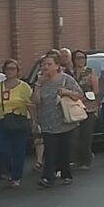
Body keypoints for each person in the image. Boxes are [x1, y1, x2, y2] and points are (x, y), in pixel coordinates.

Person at [33, 54, 84, 187]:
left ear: (57, 66)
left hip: (64, 121)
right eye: (44, 64)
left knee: (64, 150)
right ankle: (48, 178)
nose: (46, 67)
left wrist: (66, 92)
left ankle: (66, 174)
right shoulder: (41, 82)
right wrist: (38, 84)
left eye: (49, 64)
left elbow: (79, 94)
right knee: (50, 150)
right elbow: (36, 101)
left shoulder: (66, 79)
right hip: (47, 122)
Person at [0, 59, 34, 188]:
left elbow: (31, 105)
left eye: (13, 69)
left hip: (19, 121)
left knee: (18, 150)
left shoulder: (24, 87)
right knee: (2, 150)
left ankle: (17, 176)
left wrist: (34, 122)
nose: (10, 71)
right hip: (1, 122)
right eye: (8, 69)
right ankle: (9, 169)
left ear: (18, 71)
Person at [72, 50, 99, 169]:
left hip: (88, 107)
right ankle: (78, 158)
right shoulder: (70, 73)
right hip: (74, 108)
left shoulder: (90, 72)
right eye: (78, 58)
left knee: (86, 135)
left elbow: (96, 90)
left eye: (82, 58)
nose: (80, 60)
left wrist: (86, 97)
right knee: (76, 136)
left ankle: (86, 160)